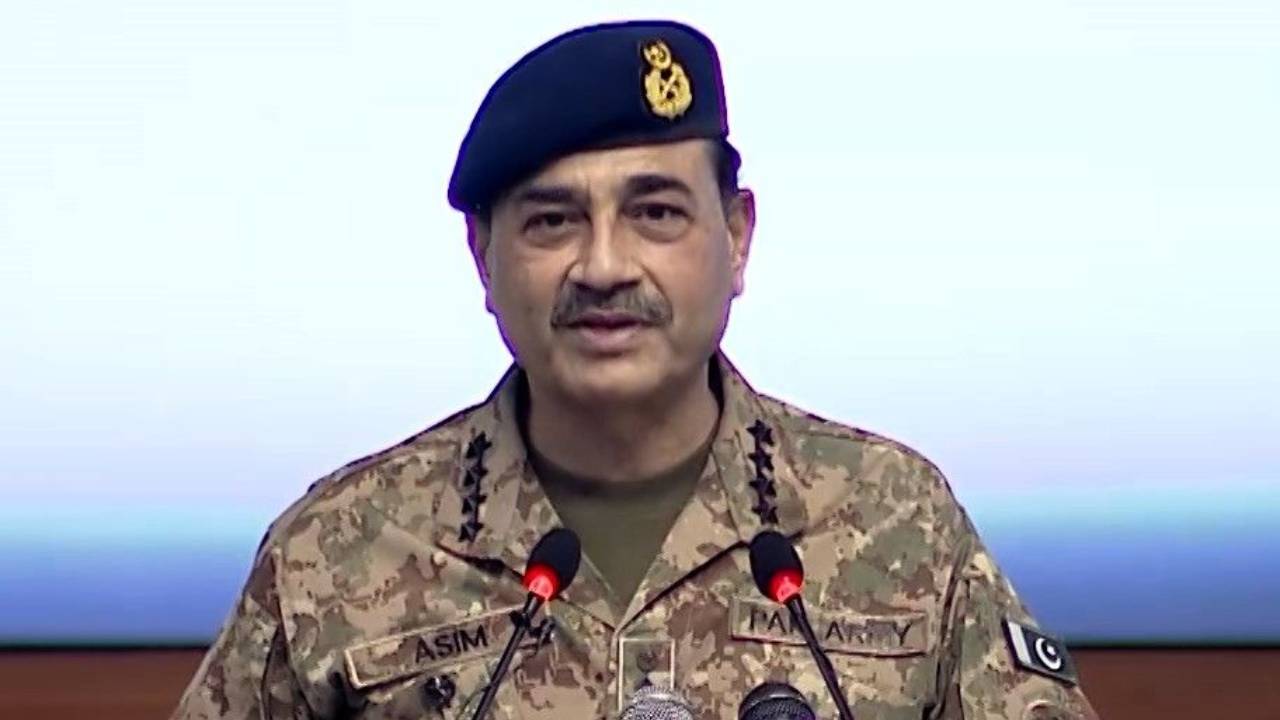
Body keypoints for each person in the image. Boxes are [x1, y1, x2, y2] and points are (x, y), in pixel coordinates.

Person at [172, 20, 1099, 720]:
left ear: (736, 237)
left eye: (655, 213)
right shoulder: (335, 552)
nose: (605, 266)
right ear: (483, 257)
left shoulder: (898, 521)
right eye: (552, 221)